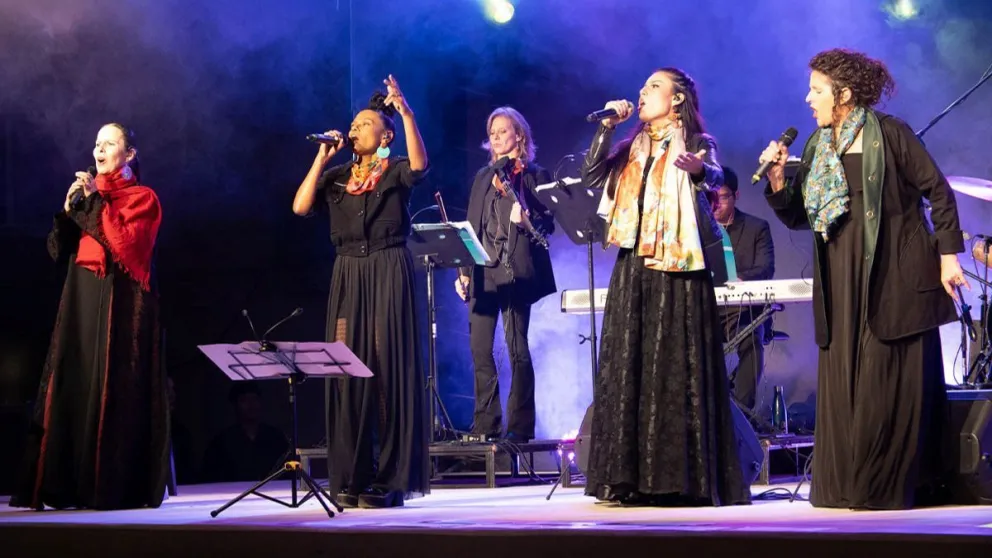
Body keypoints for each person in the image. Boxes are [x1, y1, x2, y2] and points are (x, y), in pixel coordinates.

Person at [758, 48, 968, 510]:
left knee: (882, 379)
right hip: (840, 277)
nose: (808, 98)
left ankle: (886, 485)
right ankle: (843, 485)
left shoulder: (891, 135)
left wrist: (949, 256)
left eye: (817, 90)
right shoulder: (818, 145)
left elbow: (939, 192)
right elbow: (802, 217)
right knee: (844, 379)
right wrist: (777, 182)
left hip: (891, 271)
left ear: (844, 94)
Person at [580, 68, 750, 507]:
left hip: (677, 266)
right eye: (642, 87)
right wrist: (605, 127)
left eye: (653, 87)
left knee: (672, 366)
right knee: (628, 365)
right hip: (634, 265)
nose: (642, 92)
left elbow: (716, 175)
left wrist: (700, 172)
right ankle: (627, 477)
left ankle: (677, 479)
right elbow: (592, 174)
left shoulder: (696, 142)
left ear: (677, 100)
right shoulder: (629, 146)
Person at [11, 123, 169, 510]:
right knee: (74, 378)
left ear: (129, 154)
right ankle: (62, 483)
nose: (99, 150)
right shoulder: (90, 198)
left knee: (109, 382)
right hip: (81, 293)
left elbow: (123, 245)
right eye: (96, 144)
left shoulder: (142, 198)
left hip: (120, 299)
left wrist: (91, 204)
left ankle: (105, 485)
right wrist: (68, 212)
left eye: (109, 143)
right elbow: (57, 251)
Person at [292, 75, 429, 509]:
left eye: (365, 123)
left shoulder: (395, 168)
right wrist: (321, 157)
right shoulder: (336, 178)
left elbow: (421, 167)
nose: (354, 129)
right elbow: (299, 207)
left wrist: (405, 113)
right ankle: (352, 473)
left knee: (386, 369)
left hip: (388, 267)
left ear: (384, 134)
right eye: (352, 124)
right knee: (346, 369)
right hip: (348, 272)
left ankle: (391, 478)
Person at [454, 107, 556, 444]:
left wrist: (525, 222)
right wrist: (464, 272)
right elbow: (471, 225)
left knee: (517, 349)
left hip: (515, 272)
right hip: (484, 273)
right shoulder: (483, 176)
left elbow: (547, 226)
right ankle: (486, 424)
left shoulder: (533, 176)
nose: (496, 137)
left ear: (519, 136)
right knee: (480, 350)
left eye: (503, 131)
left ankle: (520, 427)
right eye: (492, 132)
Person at [710, 166, 775, 414]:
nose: (716, 204)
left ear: (736, 195)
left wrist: (740, 278)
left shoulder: (757, 228)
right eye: (711, 198)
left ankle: (739, 414)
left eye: (723, 197)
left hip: (743, 310)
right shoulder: (697, 231)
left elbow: (766, 268)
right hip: (708, 310)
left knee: (751, 342)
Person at [201, 383, 289, 483]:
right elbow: (212, 476)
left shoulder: (276, 437)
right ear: (235, 405)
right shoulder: (222, 441)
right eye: (244, 400)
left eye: (255, 399)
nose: (251, 405)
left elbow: (287, 471)